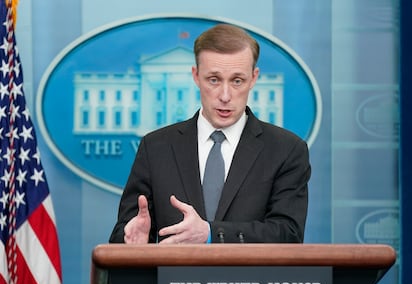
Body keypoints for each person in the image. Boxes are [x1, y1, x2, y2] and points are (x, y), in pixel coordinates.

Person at [109, 23, 311, 244]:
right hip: (174, 278)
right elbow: (124, 233)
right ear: (196, 76)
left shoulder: (286, 150)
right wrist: (133, 240)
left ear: (253, 78)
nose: (225, 95)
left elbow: (288, 234)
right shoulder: (156, 147)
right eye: (214, 79)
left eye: (237, 81)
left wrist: (211, 234)